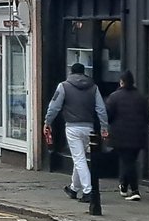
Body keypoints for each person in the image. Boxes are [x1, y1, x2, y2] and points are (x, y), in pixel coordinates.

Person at [44, 62, 109, 203]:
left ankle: (88, 191)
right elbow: (101, 109)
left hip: (72, 127)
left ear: (71, 72)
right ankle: (74, 188)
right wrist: (104, 127)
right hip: (89, 128)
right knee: (80, 158)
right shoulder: (93, 87)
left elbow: (54, 107)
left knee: (79, 159)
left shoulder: (64, 86)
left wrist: (47, 122)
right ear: (84, 72)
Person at [105, 70, 149, 201]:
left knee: (128, 162)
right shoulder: (141, 97)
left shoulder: (114, 97)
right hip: (138, 135)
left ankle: (134, 190)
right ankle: (123, 185)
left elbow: (107, 116)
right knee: (129, 160)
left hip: (120, 136)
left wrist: (105, 127)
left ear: (121, 82)